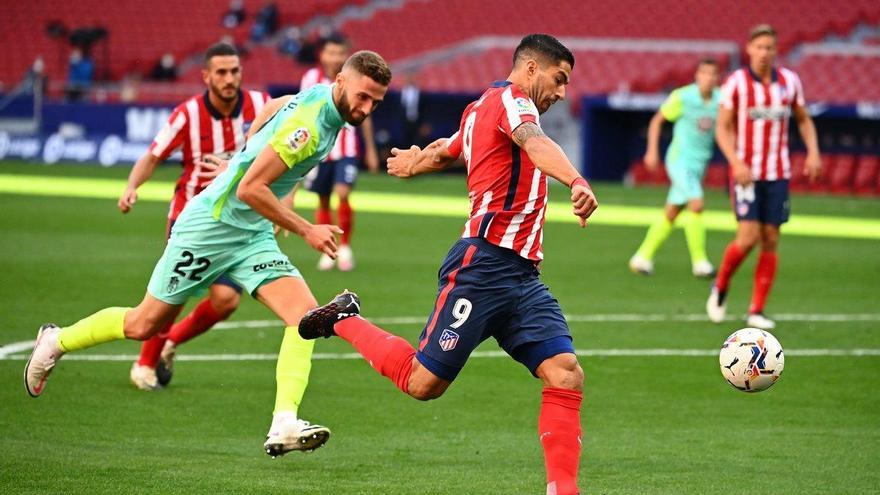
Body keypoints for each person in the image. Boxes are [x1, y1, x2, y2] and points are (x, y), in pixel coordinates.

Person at [24, 50, 392, 458]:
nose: (367, 108)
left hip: (250, 235)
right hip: (210, 229)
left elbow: (271, 108)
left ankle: (284, 422)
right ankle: (55, 342)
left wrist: (243, 157)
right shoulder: (311, 123)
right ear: (341, 81)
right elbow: (248, 189)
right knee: (144, 323)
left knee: (305, 318)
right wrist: (304, 226)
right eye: (363, 97)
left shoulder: (322, 99)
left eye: (375, 102)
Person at [298, 34, 596, 495]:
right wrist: (576, 180)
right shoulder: (515, 105)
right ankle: (343, 319)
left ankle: (563, 490)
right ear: (531, 69)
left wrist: (417, 162)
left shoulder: (480, 108)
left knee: (565, 371)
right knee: (423, 383)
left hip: (522, 277)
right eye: (558, 80)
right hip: (482, 266)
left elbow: (450, 149)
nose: (561, 92)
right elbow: (534, 143)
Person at [119, 42, 269, 391]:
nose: (229, 78)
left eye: (234, 71)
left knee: (226, 300)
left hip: (238, 222)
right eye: (221, 72)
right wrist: (131, 186)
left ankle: (171, 344)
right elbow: (153, 156)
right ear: (206, 76)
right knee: (173, 296)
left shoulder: (261, 106)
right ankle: (144, 363)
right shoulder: (187, 114)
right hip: (190, 218)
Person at [707, 24, 821, 330]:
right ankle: (720, 285)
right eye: (759, 47)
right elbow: (722, 126)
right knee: (748, 238)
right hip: (745, 172)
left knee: (771, 239)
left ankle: (756, 309)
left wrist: (813, 151)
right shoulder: (737, 83)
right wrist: (735, 162)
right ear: (749, 49)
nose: (764, 53)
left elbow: (803, 119)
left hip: (778, 172)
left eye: (770, 47)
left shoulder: (789, 82)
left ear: (776, 50)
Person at [629, 58, 720, 278]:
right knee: (696, 204)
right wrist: (652, 151)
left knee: (672, 211)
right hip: (680, 161)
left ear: (717, 78)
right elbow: (657, 120)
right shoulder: (683, 97)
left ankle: (642, 257)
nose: (708, 78)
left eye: (713, 74)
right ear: (697, 76)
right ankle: (700, 263)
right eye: (704, 73)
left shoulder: (721, 100)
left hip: (699, 165)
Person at [297, 34, 380, 271]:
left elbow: (364, 115)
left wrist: (371, 151)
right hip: (319, 150)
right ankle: (328, 248)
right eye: (331, 52)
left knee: (343, 191)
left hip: (346, 150)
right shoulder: (311, 78)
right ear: (322, 55)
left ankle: (344, 246)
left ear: (347, 56)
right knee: (322, 197)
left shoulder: (357, 79)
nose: (335, 57)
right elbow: (303, 110)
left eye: (340, 53)